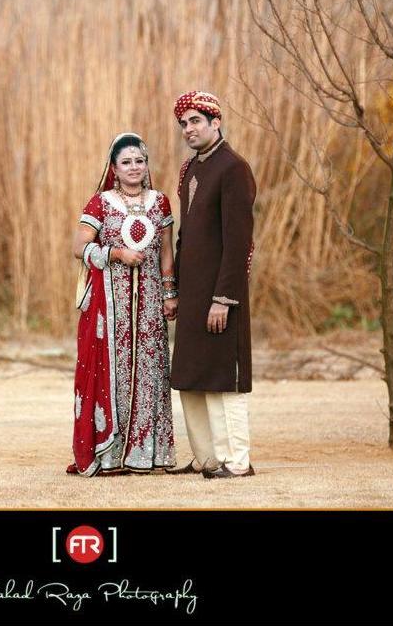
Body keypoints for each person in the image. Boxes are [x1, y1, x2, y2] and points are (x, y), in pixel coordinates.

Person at [67, 133, 178, 476]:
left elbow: (166, 252)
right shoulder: (101, 203)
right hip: (110, 307)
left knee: (149, 371)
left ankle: (145, 453)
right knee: (112, 373)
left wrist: (170, 293)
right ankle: (111, 454)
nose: (134, 167)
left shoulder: (160, 203)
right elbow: (78, 247)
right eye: (126, 162)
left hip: (150, 303)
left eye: (139, 161)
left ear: (147, 166)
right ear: (114, 168)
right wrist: (116, 253)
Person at [167, 91, 257, 479]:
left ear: (215, 122)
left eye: (196, 121)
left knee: (223, 378)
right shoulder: (191, 169)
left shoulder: (234, 168)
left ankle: (236, 462)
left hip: (220, 295)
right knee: (190, 376)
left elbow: (240, 243)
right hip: (192, 293)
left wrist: (224, 298)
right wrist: (175, 290)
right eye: (184, 123)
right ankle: (205, 458)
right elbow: (186, 237)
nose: (188, 129)